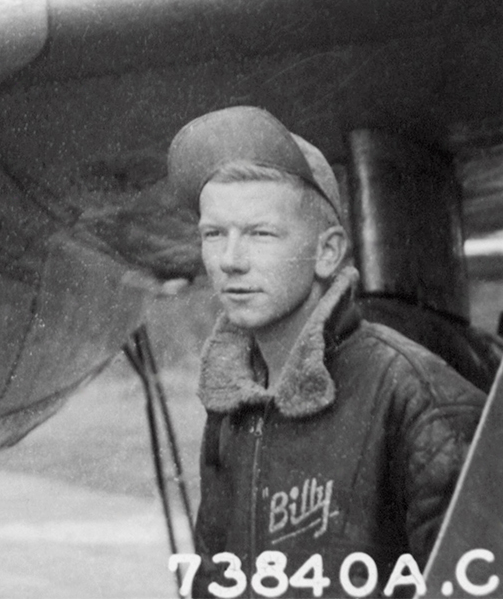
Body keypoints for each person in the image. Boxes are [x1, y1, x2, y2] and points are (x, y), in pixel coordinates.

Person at [169, 106, 481, 592]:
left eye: (260, 233)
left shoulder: (418, 397)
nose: (230, 260)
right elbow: (215, 581)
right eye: (214, 234)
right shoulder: (233, 405)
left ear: (328, 252)